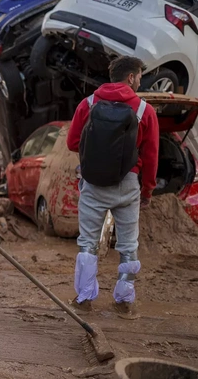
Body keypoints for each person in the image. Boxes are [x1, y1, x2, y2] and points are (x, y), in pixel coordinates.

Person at [66, 56, 159, 317]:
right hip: (128, 183)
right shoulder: (144, 110)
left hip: (93, 182)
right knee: (129, 245)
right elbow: (151, 156)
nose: (140, 80)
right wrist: (147, 189)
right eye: (140, 76)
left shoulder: (88, 103)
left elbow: (72, 142)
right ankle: (124, 300)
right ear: (130, 77)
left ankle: (84, 299)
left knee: (87, 243)